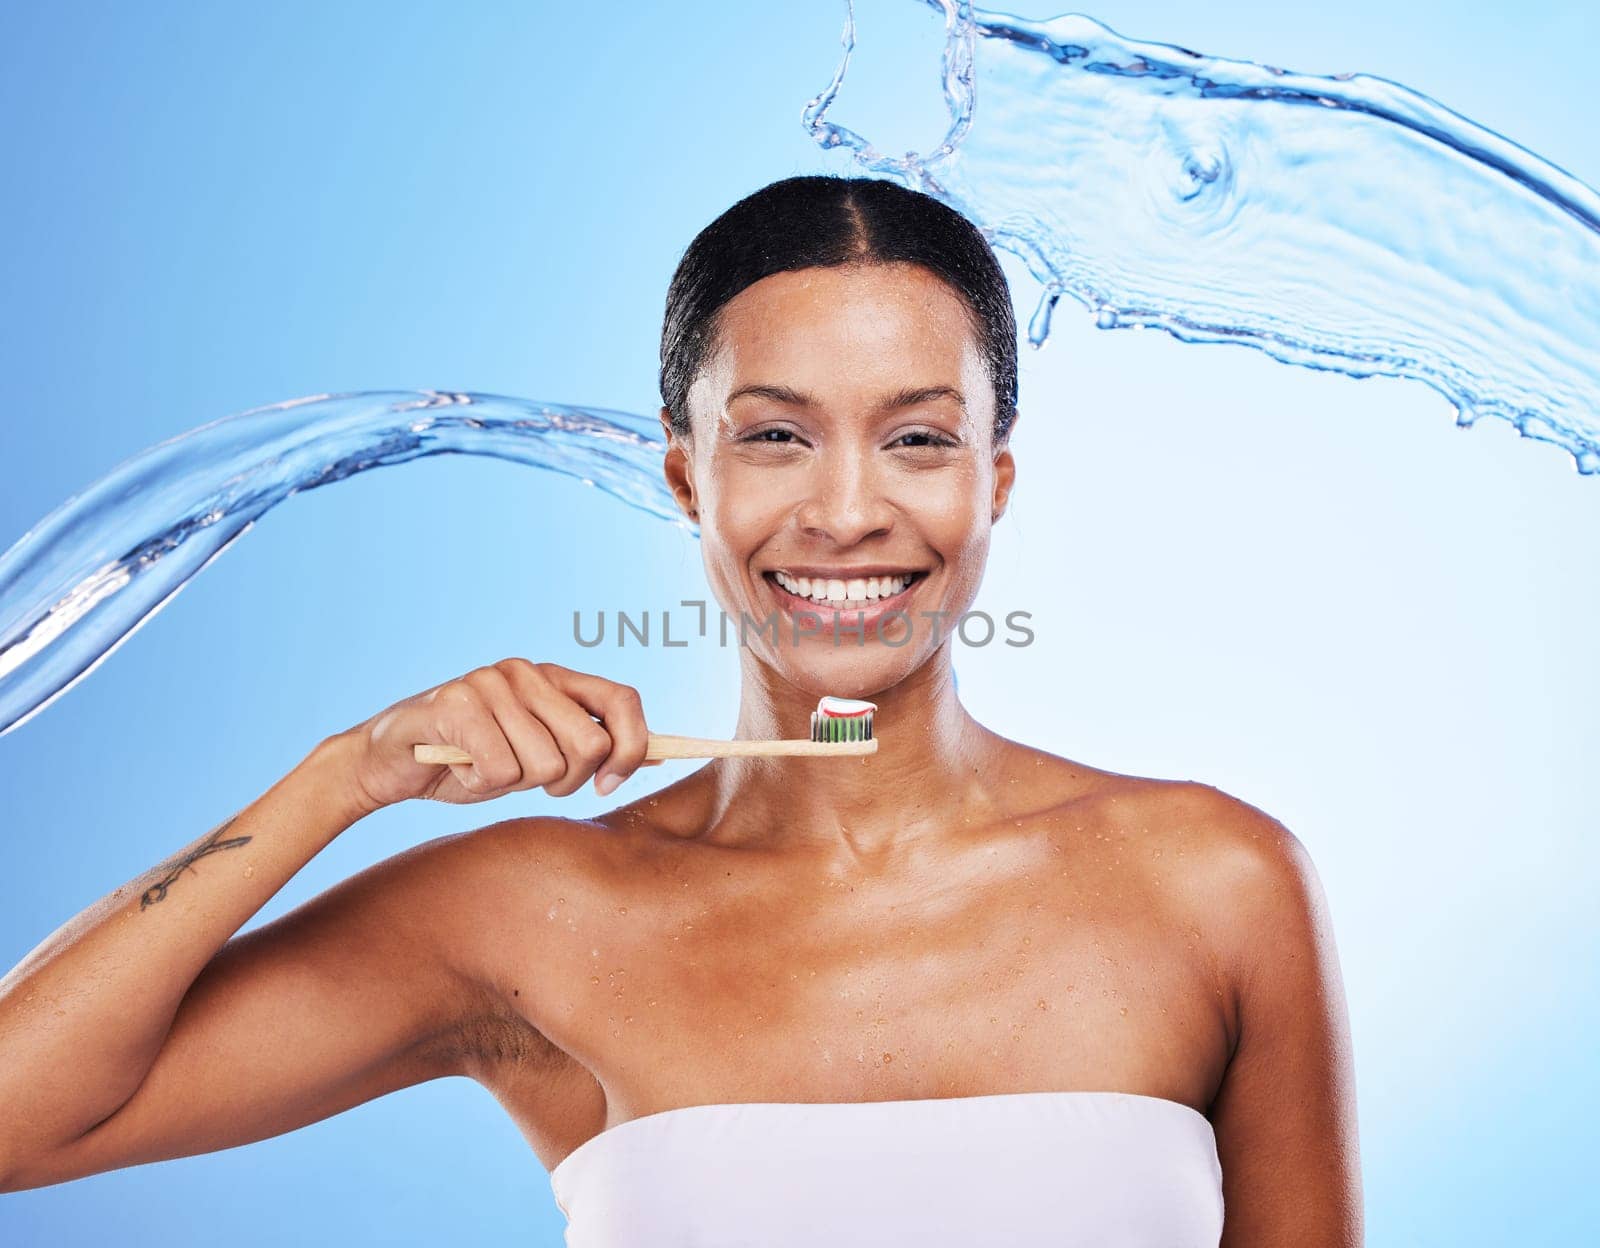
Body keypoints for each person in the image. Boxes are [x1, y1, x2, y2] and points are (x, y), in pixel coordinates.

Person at [0, 175, 1362, 1246]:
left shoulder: (1219, 885)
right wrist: (344, 777)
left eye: (920, 438)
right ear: (681, 475)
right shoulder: (531, 912)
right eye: (774, 435)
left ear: (996, 479)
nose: (845, 512)